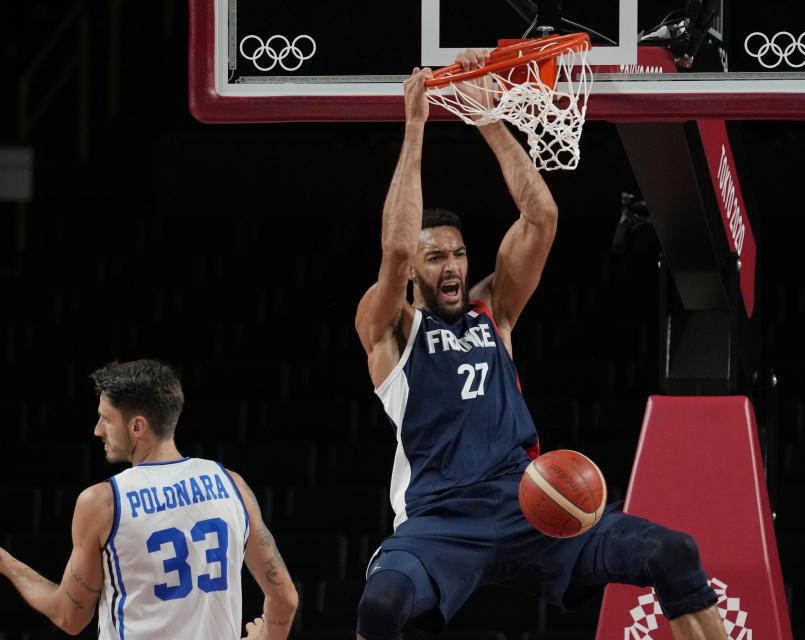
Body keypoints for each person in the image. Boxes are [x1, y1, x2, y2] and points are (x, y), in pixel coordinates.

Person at [353, 50, 728, 640]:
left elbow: (541, 215)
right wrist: (417, 124)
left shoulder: (493, 312)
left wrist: (487, 117)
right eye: (437, 257)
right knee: (383, 606)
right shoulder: (391, 330)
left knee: (672, 550)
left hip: (529, 500)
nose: (451, 265)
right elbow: (394, 251)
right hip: (442, 520)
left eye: (458, 253)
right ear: (415, 275)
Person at [0, 359, 299, 639]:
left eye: (106, 418)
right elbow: (285, 599)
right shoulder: (232, 484)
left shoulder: (104, 502)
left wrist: (6, 563)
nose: (97, 430)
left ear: (137, 426)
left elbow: (70, 617)